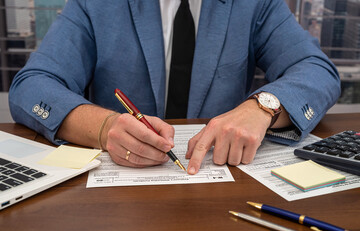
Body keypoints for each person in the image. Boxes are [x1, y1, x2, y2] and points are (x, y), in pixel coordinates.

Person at [9, 0, 340, 175]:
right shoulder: (96, 4)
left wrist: (263, 107)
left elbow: (317, 70)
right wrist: (104, 126)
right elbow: (32, 86)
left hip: (221, 183)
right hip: (118, 197)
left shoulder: (255, 4)